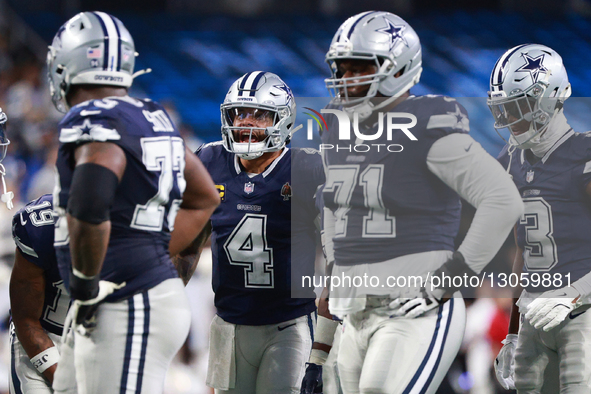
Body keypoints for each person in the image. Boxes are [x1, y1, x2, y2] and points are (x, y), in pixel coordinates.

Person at [311, 11, 524, 394]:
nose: (343, 80)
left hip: (414, 308)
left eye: (356, 68)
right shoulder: (337, 132)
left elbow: (503, 198)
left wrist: (452, 275)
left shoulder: (426, 124)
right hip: (355, 310)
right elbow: (333, 212)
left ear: (397, 69)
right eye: (339, 69)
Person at [46, 11, 220, 393]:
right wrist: (154, 250)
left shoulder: (93, 119)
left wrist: (86, 284)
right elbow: (205, 196)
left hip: (124, 299)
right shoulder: (151, 115)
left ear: (67, 63)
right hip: (134, 294)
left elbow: (91, 204)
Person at [196, 71, 325, 393]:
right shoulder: (207, 160)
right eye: (240, 113)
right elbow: (184, 241)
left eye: (260, 115)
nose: (246, 123)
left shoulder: (308, 168)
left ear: (282, 120)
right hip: (228, 323)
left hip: (288, 325)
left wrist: (326, 339)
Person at [491, 44, 591, 393]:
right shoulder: (513, 158)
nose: (510, 120)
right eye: (504, 109)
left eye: (517, 107)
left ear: (547, 98)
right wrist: (513, 332)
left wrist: (575, 294)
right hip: (534, 315)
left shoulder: (584, 153)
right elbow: (525, 248)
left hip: (583, 314)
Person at [9, 194, 68, 393]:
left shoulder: (143, 232)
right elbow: (26, 319)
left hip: (104, 339)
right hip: (45, 334)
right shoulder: (42, 228)